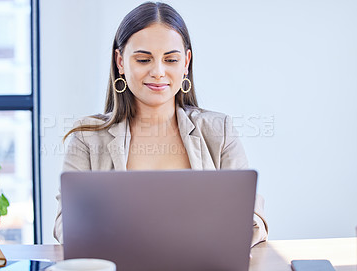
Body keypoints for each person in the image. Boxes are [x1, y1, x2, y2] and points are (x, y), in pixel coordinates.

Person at [53, 1, 268, 246]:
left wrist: (234, 237)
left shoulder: (220, 130)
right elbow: (65, 225)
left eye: (171, 60)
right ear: (120, 62)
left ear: (186, 62)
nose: (158, 72)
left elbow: (253, 216)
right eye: (144, 60)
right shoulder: (86, 138)